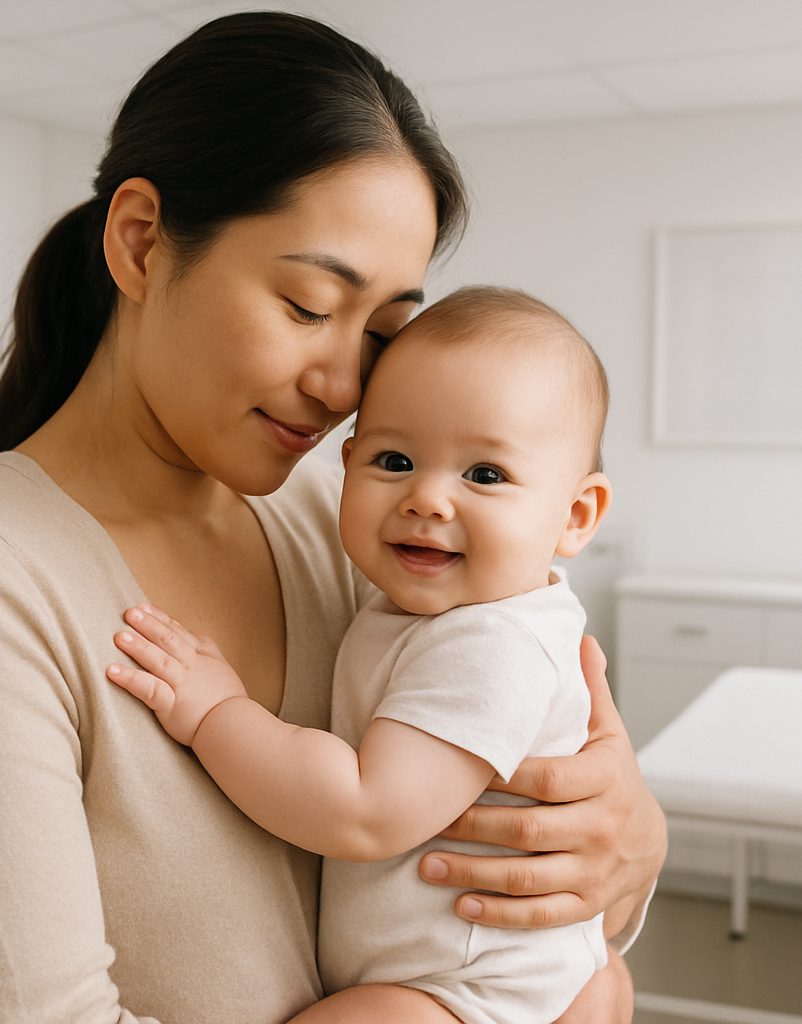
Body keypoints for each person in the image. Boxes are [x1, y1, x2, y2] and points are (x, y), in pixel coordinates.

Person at [0, 13, 665, 1024]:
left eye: (379, 332)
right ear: (142, 243)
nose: (340, 385)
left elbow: (555, 802)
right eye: (309, 307)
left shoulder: (352, 523)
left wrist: (626, 846)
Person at [107, 286, 615, 1024]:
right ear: (347, 465)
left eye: (484, 474)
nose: (429, 500)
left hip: (467, 996)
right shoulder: (418, 606)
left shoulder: (493, 642)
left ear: (574, 515)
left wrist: (216, 711)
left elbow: (365, 811)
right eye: (396, 459)